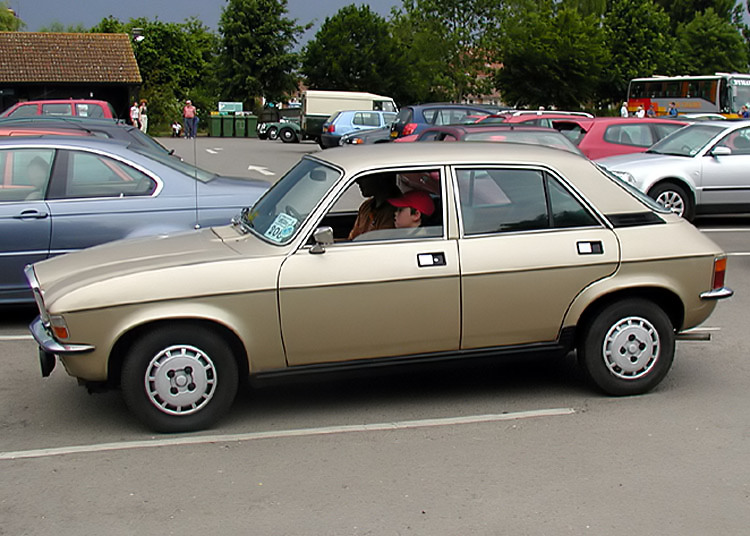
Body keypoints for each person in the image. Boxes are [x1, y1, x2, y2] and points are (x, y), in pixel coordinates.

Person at [348, 174, 402, 240]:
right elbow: (352, 238)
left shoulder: (398, 209)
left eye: (364, 177)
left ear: (381, 177)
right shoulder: (366, 206)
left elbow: (380, 243)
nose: (358, 181)